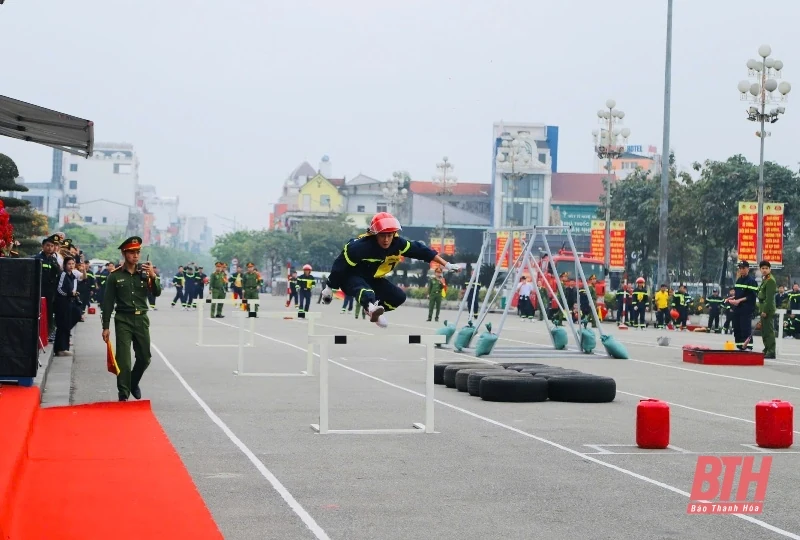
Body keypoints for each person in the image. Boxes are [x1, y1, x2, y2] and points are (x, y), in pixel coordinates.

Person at [321, 212, 458, 328]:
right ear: (375, 234)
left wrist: (446, 264)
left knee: (399, 297)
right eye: (382, 236)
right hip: (350, 276)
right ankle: (370, 307)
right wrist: (329, 287)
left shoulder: (397, 244)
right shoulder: (359, 248)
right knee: (365, 290)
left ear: (394, 234)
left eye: (389, 235)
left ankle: (373, 310)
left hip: (373, 277)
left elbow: (422, 251)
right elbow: (339, 267)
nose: (386, 240)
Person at [101, 236, 161, 402]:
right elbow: (107, 303)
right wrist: (105, 326)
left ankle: (133, 382)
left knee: (144, 358)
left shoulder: (145, 273)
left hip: (141, 320)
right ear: (124, 253)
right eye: (132, 252)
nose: (136, 255)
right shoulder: (114, 276)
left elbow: (156, 293)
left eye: (138, 252)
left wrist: (153, 277)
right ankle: (123, 394)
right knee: (124, 360)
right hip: (123, 320)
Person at [726, 260, 758, 351]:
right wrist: (732, 298)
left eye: (743, 268)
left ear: (748, 269)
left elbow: (751, 296)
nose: (741, 270)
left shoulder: (751, 281)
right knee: (737, 327)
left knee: (745, 327)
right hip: (738, 308)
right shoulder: (739, 280)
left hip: (746, 308)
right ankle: (740, 346)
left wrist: (739, 300)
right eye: (740, 268)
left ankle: (748, 346)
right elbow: (738, 294)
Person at [54, 255, 80, 356]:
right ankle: (60, 348)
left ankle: (64, 347)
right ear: (64, 265)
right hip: (62, 303)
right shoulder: (63, 274)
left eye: (73, 264)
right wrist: (69, 294)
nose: (71, 265)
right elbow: (59, 289)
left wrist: (74, 294)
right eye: (69, 264)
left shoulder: (72, 276)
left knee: (74, 316)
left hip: (70, 302)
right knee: (62, 325)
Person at [757, 260, 777, 358]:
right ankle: (767, 348)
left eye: (766, 268)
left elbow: (769, 298)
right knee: (764, 331)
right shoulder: (765, 279)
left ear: (770, 269)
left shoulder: (770, 280)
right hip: (762, 307)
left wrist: (765, 311)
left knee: (769, 331)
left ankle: (771, 351)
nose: (764, 270)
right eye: (762, 268)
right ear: (760, 269)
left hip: (767, 309)